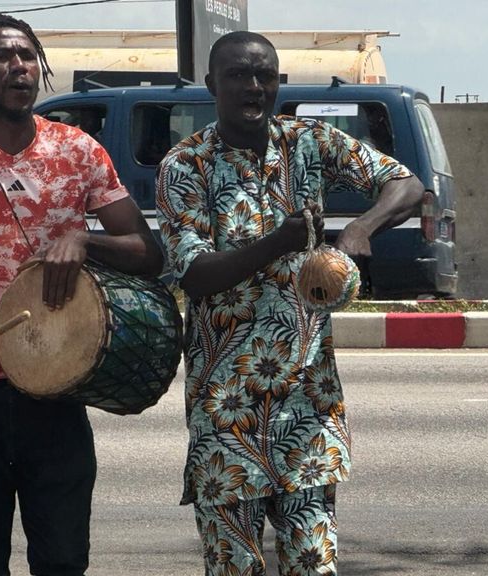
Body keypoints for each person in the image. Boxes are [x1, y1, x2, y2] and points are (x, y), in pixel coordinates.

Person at [155, 31, 423, 576]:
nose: (254, 87)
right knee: (235, 569)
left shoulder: (308, 143)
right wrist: (279, 241)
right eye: (238, 75)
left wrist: (360, 230)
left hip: (307, 405)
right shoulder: (186, 165)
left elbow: (407, 183)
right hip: (226, 412)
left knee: (315, 567)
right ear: (212, 85)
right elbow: (197, 275)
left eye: (266, 76)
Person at [0, 14, 163, 576]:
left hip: (59, 389)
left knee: (65, 559)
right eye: (0, 56)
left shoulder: (78, 151)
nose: (18, 66)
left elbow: (148, 251)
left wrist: (84, 240)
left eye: (27, 55)